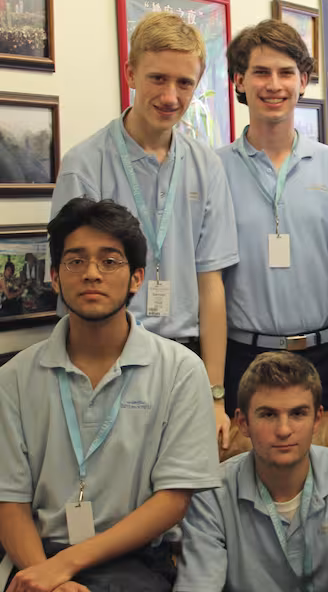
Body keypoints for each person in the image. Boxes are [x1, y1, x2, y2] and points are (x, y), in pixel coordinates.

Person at [0, 198, 220, 592]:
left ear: (136, 278)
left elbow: (173, 499)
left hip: (133, 559)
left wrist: (65, 566)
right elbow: (8, 502)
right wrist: (51, 578)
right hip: (37, 556)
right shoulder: (13, 378)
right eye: (75, 261)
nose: (91, 274)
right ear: (55, 277)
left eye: (109, 261)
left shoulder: (181, 370)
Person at [50, 12, 239, 447]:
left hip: (184, 357)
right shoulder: (86, 164)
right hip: (107, 357)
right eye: (157, 78)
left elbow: (211, 283)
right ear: (131, 73)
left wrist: (215, 394)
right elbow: (72, 282)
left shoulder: (206, 165)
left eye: (184, 83)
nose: (170, 96)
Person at [219, 19, 328, 415]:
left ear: (303, 80)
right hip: (243, 357)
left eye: (286, 73)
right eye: (261, 72)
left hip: (327, 356)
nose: (273, 85)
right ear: (239, 81)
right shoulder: (212, 170)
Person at [175, 351, 328, 591]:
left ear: (317, 419)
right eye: (268, 414)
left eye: (298, 413)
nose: (284, 430)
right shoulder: (210, 493)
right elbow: (199, 585)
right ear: (243, 423)